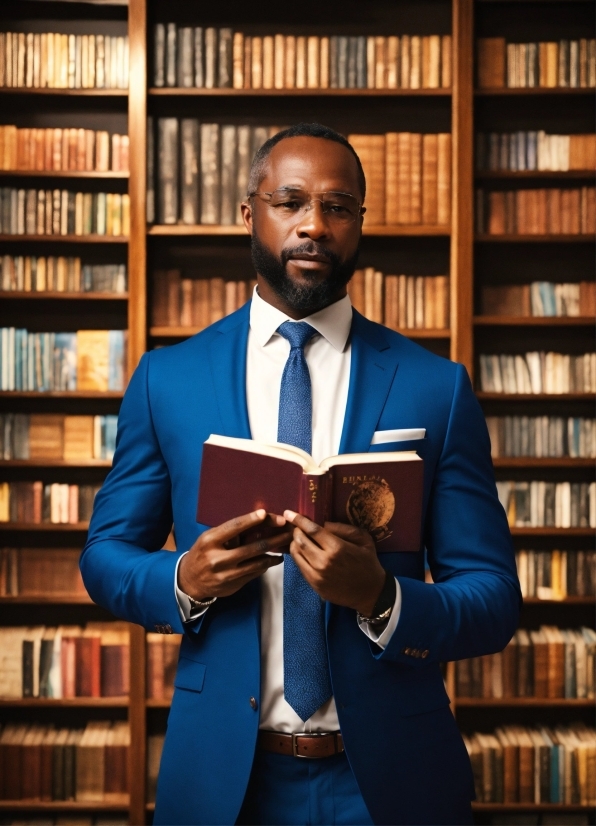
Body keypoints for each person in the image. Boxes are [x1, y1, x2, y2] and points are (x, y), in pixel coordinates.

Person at [81, 122, 521, 826]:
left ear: (359, 225)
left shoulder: (435, 388)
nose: (315, 224)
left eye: (339, 207)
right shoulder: (167, 379)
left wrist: (382, 598)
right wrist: (181, 583)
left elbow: (495, 597)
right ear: (249, 213)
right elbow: (104, 557)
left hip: (391, 779)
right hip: (224, 779)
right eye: (291, 201)